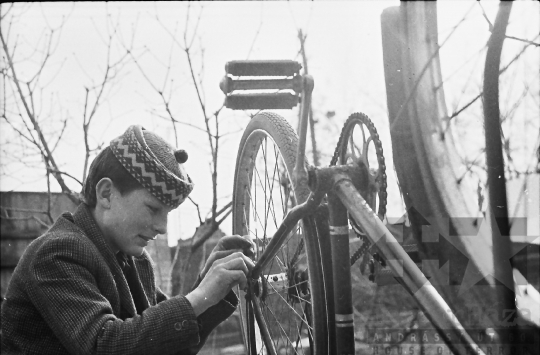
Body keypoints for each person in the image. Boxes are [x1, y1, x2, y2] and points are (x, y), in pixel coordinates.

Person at [1, 125, 254, 354]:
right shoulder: (56, 253)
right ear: (106, 194)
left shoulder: (135, 262)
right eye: (153, 209)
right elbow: (104, 345)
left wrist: (211, 286)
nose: (163, 228)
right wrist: (199, 296)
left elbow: (164, 345)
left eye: (167, 214)